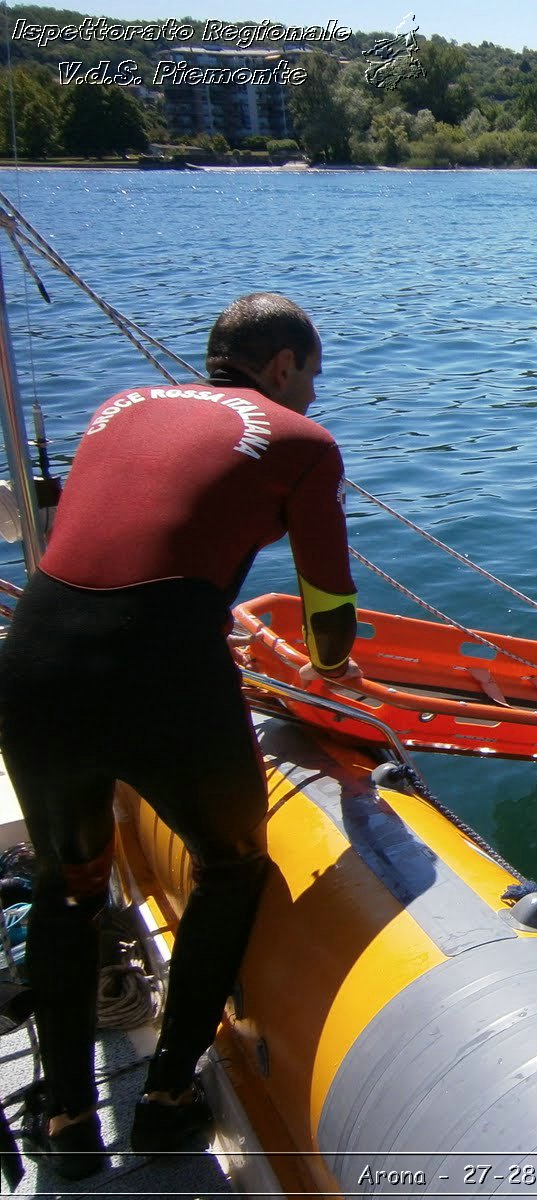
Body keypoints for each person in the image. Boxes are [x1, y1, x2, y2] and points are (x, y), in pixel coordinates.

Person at [0, 293, 358, 1178]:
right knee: (233, 867)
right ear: (283, 366)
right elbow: (329, 605)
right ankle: (164, 1102)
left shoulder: (117, 403)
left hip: (35, 657)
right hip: (164, 671)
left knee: (69, 886)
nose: (311, 394)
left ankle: (67, 1124)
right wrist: (330, 668)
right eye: (311, 375)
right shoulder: (302, 443)